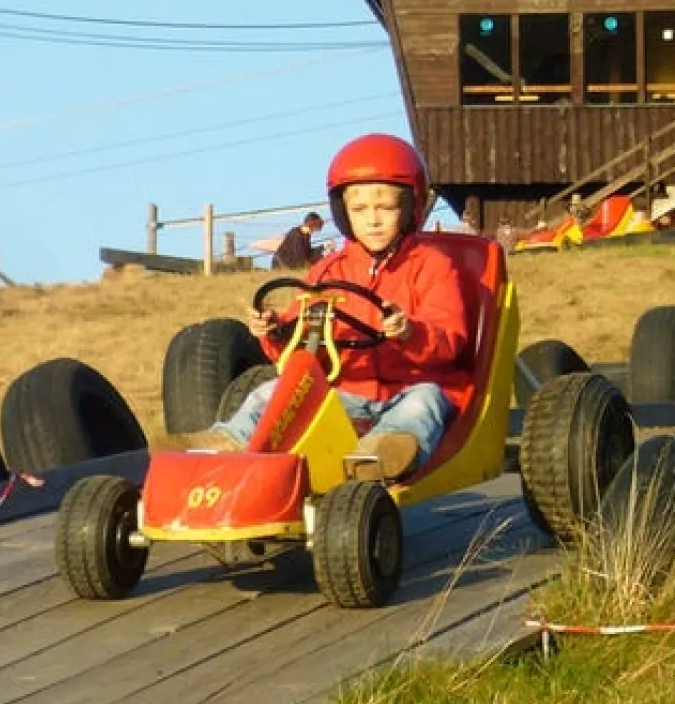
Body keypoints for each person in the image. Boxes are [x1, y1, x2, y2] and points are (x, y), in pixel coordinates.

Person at [184, 133, 468, 480]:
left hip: (409, 387)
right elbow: (304, 335)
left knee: (424, 403)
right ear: (344, 214)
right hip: (343, 392)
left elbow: (451, 337)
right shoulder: (330, 270)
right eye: (360, 210)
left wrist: (411, 332)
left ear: (410, 207)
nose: (373, 220)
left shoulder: (433, 266)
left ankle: (380, 454)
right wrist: (275, 330)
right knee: (268, 391)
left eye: (386, 208)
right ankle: (225, 442)